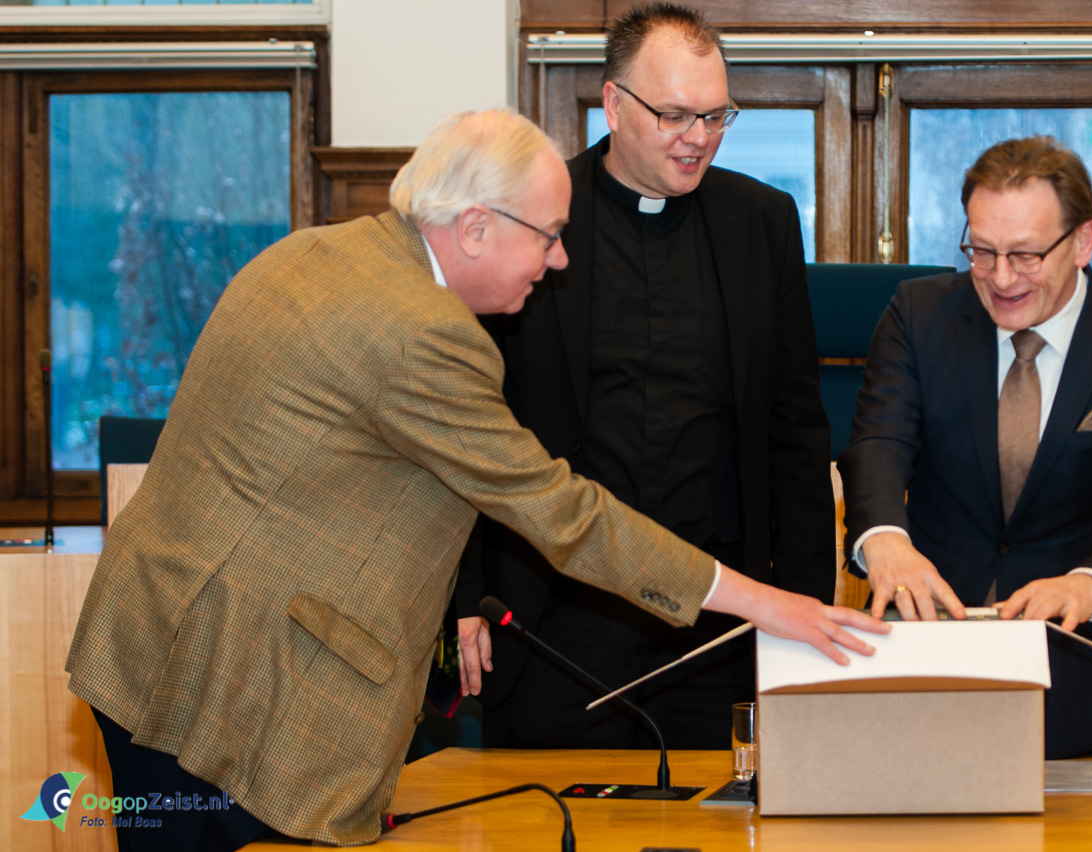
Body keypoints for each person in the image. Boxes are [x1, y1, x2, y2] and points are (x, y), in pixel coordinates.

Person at [65, 109, 887, 852]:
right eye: (551, 235)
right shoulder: (425, 334)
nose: (561, 260)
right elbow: (562, 514)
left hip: (154, 642)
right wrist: (763, 600)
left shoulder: (316, 251)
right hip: (235, 692)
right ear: (476, 228)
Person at [454, 3, 834, 750]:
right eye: (675, 115)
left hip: (715, 622)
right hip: (555, 621)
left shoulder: (762, 221)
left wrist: (803, 606)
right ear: (614, 104)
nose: (699, 139)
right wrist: (463, 593)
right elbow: (470, 427)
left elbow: (796, 426)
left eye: (717, 115)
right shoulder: (531, 218)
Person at [840, 135, 1092, 759]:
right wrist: (884, 541)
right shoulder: (918, 316)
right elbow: (877, 444)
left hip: (1076, 687)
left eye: (1026, 256)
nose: (1000, 278)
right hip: (921, 674)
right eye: (982, 251)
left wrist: (1089, 586)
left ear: (1083, 242)